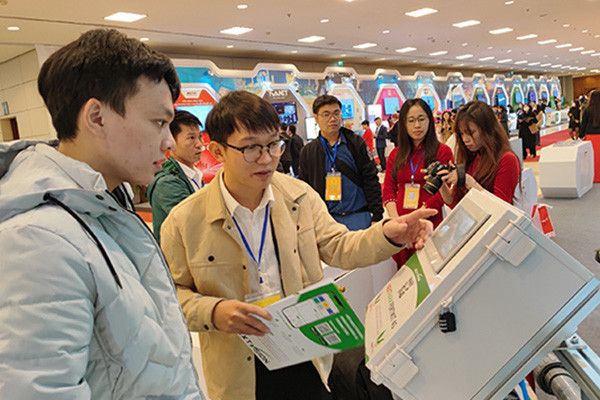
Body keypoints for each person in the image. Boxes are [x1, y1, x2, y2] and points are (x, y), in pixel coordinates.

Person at [159, 90, 437, 400]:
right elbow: (170, 297)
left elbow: (339, 245)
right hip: (240, 365)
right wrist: (213, 311)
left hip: (305, 349)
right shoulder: (185, 221)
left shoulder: (298, 196)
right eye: (251, 148)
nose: (266, 158)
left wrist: (389, 235)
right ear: (218, 151)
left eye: (272, 145)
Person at [0, 29, 203, 399]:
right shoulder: (39, 241)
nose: (169, 142)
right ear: (96, 117)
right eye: (159, 123)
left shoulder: (106, 205)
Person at [382, 98, 453, 267]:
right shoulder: (396, 154)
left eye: (421, 119)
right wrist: (398, 222)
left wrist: (420, 214)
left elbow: (444, 193)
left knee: (431, 269)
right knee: (405, 272)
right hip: (401, 222)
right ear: (403, 124)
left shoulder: (442, 151)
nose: (417, 125)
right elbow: (388, 189)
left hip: (430, 221)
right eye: (411, 120)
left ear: (430, 120)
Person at [299, 95, 384, 230]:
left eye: (336, 113)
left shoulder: (356, 143)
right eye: (326, 114)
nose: (332, 118)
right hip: (327, 221)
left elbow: (371, 179)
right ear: (316, 118)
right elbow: (305, 188)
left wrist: (377, 215)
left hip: (359, 217)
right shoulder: (309, 151)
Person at [439, 101, 521, 208]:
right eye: (462, 134)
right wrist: (441, 182)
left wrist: (468, 182)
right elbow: (454, 202)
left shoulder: (507, 159)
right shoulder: (470, 156)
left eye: (471, 133)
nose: (465, 139)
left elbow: (501, 208)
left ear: (487, 129)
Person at [147, 109, 204, 243]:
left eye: (200, 137)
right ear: (171, 142)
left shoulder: (193, 175)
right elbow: (197, 225)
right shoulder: (167, 183)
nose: (199, 145)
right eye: (191, 138)